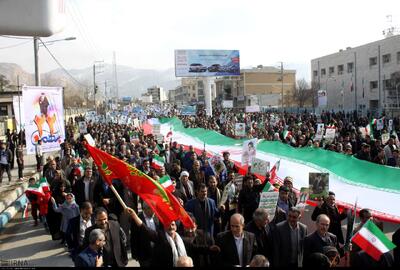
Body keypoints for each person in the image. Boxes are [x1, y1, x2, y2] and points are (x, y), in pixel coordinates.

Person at [130, 202, 164, 267]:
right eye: (152, 209)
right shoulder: (137, 219)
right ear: (145, 209)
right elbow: (134, 237)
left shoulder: (157, 216)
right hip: (144, 254)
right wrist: (135, 254)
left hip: (157, 252)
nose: (154, 211)